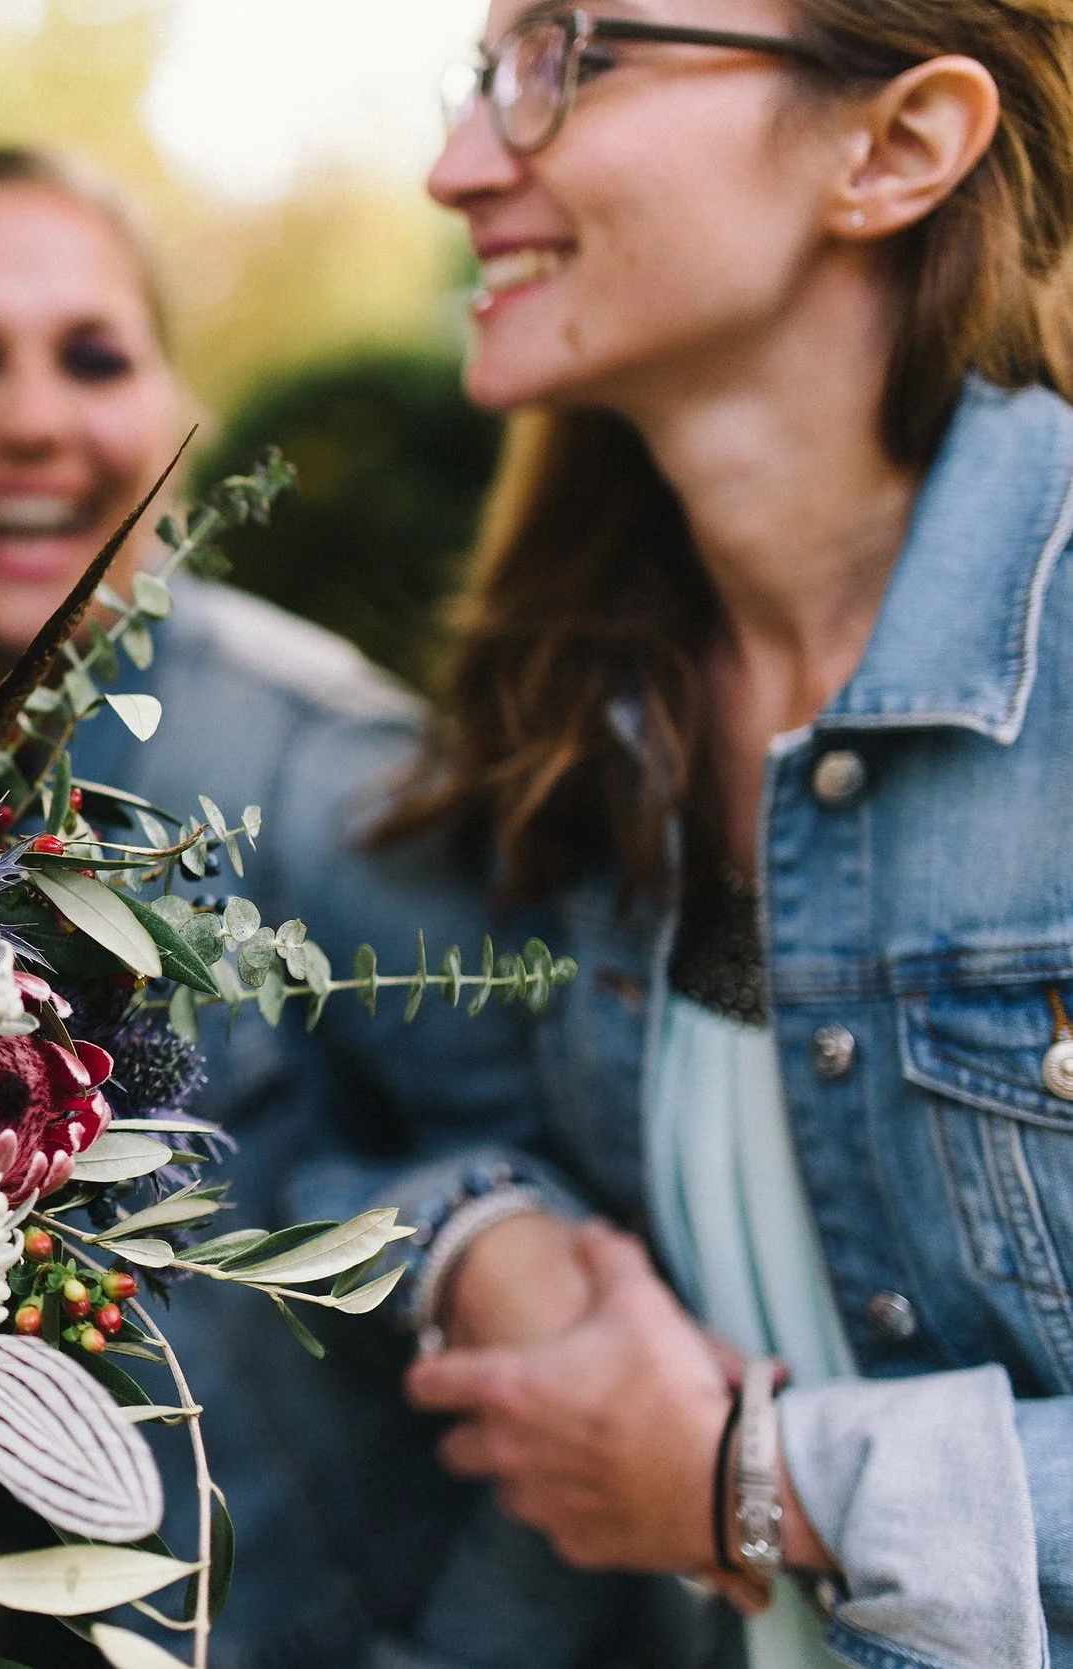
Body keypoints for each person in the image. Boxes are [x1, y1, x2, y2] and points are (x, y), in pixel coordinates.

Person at [334, 3, 1073, 1666]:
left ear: (894, 148)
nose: (459, 166)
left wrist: (769, 1480)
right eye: (487, 74)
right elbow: (378, 1103)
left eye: (570, 62)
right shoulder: (582, 702)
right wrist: (490, 1238)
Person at [0, 146, 647, 1668]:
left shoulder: (327, 774)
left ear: (172, 409)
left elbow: (594, 1288)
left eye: (94, 357)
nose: (32, 419)